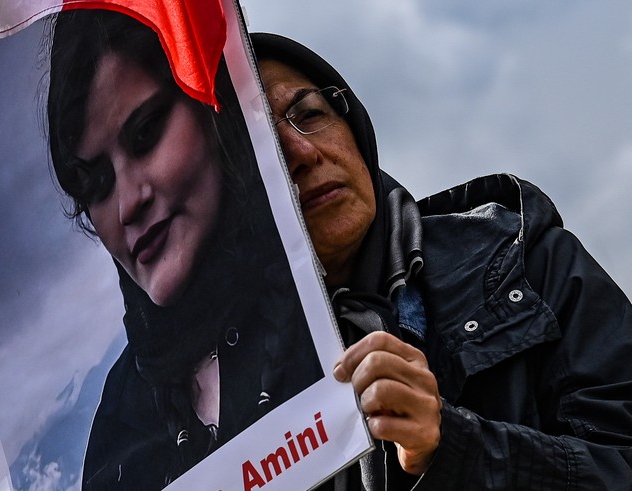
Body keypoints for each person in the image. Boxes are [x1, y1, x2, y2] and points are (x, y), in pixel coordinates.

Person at [251, 32, 632, 490]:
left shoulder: (524, 264)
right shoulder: (213, 396)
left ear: (353, 124)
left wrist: (453, 447)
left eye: (309, 114)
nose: (301, 153)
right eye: (259, 147)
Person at [46, 11, 322, 489]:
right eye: (97, 183)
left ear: (212, 104)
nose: (130, 203)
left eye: (146, 134)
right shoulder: (120, 420)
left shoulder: (337, 276)